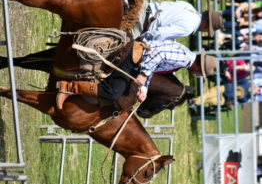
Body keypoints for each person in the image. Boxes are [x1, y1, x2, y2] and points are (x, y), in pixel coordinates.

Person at [56, 39, 217, 109]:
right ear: (198, 68)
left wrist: (145, 88)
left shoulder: (186, 55)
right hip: (133, 57)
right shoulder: (183, 59)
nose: (196, 75)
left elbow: (155, 64)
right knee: (112, 92)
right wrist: (145, 75)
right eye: (199, 73)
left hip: (138, 58)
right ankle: (68, 87)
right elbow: (160, 54)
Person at [132, 0, 224, 40]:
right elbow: (160, 33)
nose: (203, 31)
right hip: (141, 23)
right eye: (206, 30)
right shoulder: (189, 27)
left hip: (144, 6)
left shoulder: (189, 6)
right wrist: (141, 40)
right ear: (205, 26)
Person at [189, 78, 262, 111]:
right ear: (257, 86)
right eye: (259, 90)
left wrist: (229, 104)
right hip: (224, 88)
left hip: (224, 99)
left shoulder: (246, 98)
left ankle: (193, 101)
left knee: (209, 100)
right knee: (208, 94)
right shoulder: (247, 82)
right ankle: (195, 102)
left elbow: (235, 101)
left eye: (259, 93)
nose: (258, 92)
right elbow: (235, 80)